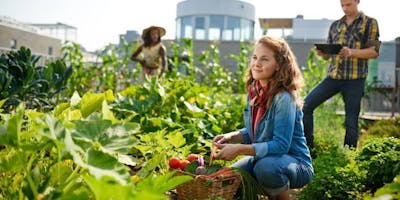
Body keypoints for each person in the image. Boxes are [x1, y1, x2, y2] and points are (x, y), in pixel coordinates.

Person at [212, 36, 314, 200]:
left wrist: (239, 149)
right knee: (229, 178)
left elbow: (281, 145)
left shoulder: (284, 98)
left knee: (265, 168)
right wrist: (231, 137)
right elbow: (255, 130)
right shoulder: (255, 92)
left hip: (295, 163)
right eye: (255, 57)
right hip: (263, 158)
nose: (256, 63)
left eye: (264, 59)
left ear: (278, 65)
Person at [303, 0, 381, 149]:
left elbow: (374, 51)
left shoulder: (370, 23)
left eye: (349, 4)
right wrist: (322, 53)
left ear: (357, 1)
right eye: (342, 5)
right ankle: (308, 149)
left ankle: (348, 156)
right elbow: (327, 57)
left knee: (351, 121)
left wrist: (351, 52)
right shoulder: (335, 25)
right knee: (306, 105)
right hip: (333, 77)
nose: (345, 8)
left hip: (355, 79)